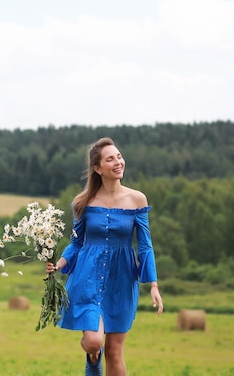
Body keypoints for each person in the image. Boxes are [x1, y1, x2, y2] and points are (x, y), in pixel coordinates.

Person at [46, 137, 163, 376]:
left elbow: (145, 246)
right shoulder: (82, 202)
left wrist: (153, 284)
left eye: (119, 156)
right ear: (98, 168)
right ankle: (91, 357)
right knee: (93, 342)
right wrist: (58, 265)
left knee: (114, 352)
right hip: (87, 278)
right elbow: (77, 242)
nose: (118, 162)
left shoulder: (137, 200)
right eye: (110, 159)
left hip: (121, 280)